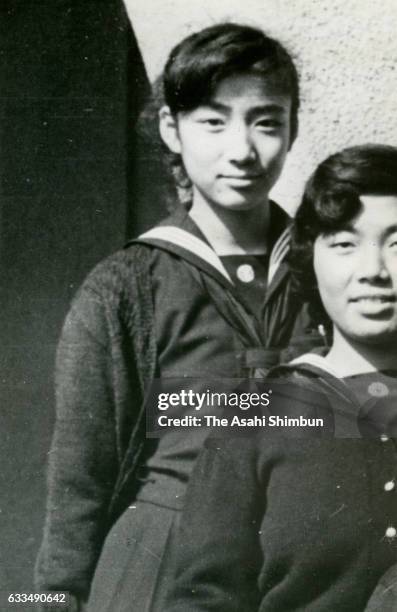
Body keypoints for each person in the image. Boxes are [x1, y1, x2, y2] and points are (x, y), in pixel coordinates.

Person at [34, 23, 321, 612]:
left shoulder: (331, 274)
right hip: (161, 570)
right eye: (213, 122)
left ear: (292, 129)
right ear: (172, 128)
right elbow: (78, 483)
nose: (242, 149)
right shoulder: (127, 287)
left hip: (302, 573)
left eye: (266, 121)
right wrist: (47, 603)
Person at [163, 144, 397, 612]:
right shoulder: (255, 418)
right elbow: (202, 598)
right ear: (312, 259)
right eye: (344, 244)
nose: (373, 271)